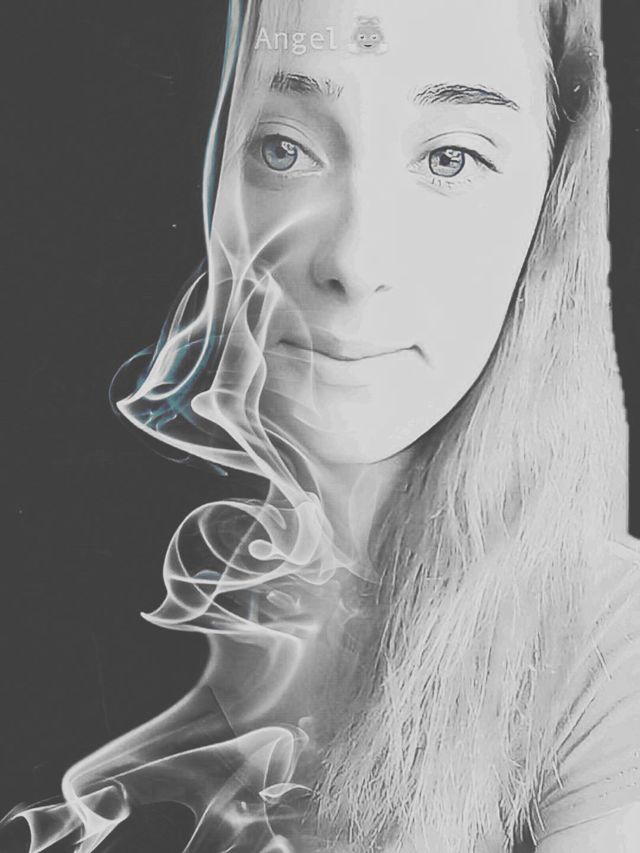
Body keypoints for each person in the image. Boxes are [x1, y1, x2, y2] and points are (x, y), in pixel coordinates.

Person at [4, 1, 640, 851]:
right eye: (283, 148)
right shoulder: (54, 583)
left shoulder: (609, 649)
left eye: (451, 157)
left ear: (555, 197)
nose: (354, 258)